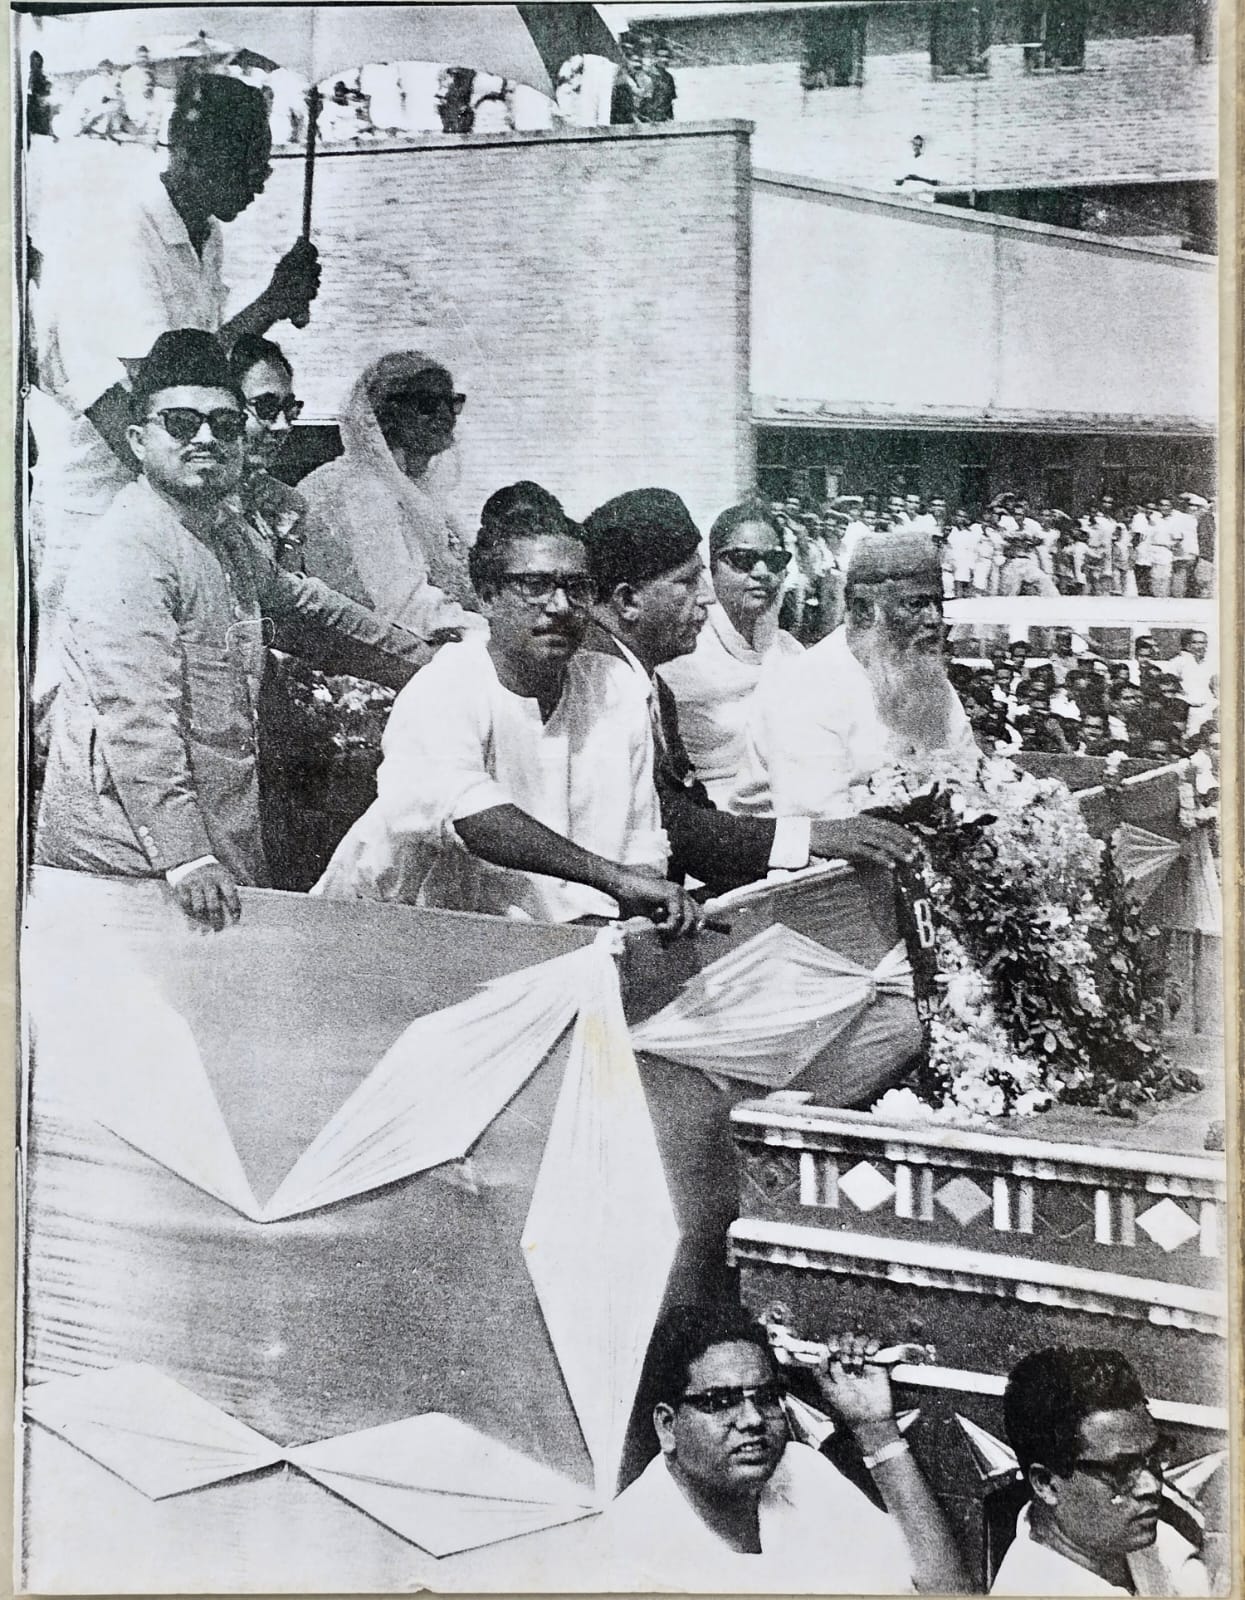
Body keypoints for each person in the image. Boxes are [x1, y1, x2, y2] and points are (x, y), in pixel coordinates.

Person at [34, 331, 432, 931]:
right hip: (123, 862)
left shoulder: (219, 530)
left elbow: (302, 610)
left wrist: (427, 662)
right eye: (181, 422)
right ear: (138, 440)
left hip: (207, 836)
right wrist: (187, 856)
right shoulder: (129, 550)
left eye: (223, 423)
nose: (205, 438)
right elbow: (138, 718)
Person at [29, 71, 321, 690]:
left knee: (186, 676)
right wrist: (269, 305)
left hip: (170, 485)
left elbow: (198, 366)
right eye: (246, 162)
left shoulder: (208, 234)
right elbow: (157, 393)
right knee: (91, 682)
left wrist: (272, 303)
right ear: (188, 153)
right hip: (98, 498)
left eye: (265, 161)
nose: (261, 179)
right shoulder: (119, 235)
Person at [313, 482, 700, 932]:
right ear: (487, 597)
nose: (560, 606)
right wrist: (615, 881)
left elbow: (640, 846)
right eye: (535, 586)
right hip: (381, 934)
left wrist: (642, 909)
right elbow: (467, 814)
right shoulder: (448, 683)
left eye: (577, 588)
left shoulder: (615, 687)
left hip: (558, 940)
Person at [581, 490, 919, 898]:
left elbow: (688, 810)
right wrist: (809, 837)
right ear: (627, 600)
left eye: (775, 561)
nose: (706, 596)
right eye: (687, 582)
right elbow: (668, 820)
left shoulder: (650, 681)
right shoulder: (600, 681)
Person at [596, 1304, 966, 1593]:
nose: (753, 1419)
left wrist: (876, 1430)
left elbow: (947, 1590)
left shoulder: (799, 1470)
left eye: (766, 1397)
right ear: (668, 1425)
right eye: (721, 1401)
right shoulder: (632, 1561)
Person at [743, 528, 977, 819]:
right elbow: (820, 823)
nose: (934, 619)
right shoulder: (806, 687)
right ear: (865, 610)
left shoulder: (925, 678)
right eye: (915, 605)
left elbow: (970, 771)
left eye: (937, 604)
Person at [992, 1346, 1209, 1595]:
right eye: (1122, 1469)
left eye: (1154, 1457)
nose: (1151, 1486)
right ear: (1047, 1483)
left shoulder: (1125, 1535)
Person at [299, 351, 484, 639]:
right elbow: (403, 606)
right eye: (427, 404)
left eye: (451, 402)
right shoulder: (362, 488)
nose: (445, 416)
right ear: (388, 415)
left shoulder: (421, 490)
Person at [657, 501, 802, 807]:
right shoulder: (682, 652)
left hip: (792, 803)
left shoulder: (790, 652)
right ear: (712, 568)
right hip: (710, 812)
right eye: (742, 559)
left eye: (775, 560)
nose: (761, 572)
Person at [1167, 629, 1216, 737]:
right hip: (1186, 710)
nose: (1200, 646)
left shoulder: (1208, 663)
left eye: (1203, 642)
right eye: (1195, 642)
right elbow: (1169, 683)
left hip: (1207, 709)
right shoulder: (1178, 661)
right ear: (1187, 645)